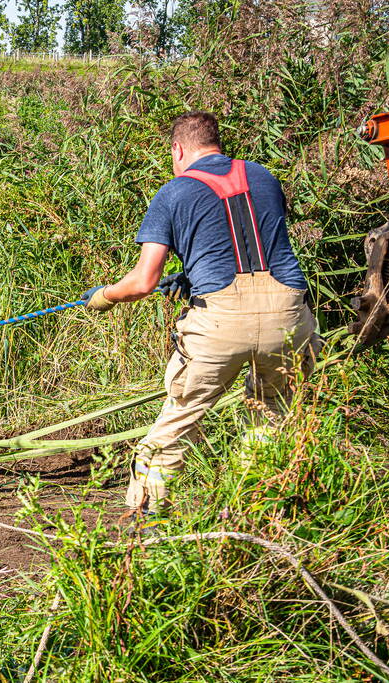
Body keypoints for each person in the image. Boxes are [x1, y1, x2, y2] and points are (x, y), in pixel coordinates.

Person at [81, 111, 321, 531]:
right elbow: (251, 243)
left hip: (219, 327)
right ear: (217, 144)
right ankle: (261, 519)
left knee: (173, 430)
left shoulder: (173, 192)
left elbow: (142, 281)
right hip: (290, 318)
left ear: (178, 149)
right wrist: (191, 278)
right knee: (274, 418)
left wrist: (103, 297)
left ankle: (146, 525)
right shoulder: (264, 177)